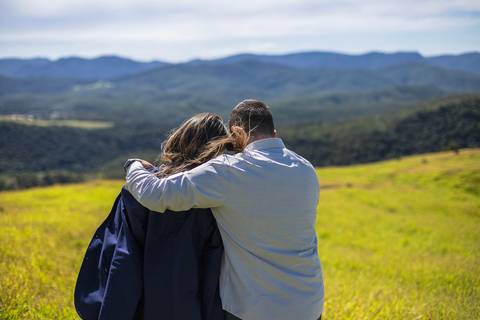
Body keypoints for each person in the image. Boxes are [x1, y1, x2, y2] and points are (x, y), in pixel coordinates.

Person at [125, 100, 324, 320]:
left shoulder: (230, 170)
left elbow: (156, 194)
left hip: (255, 308)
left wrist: (134, 166)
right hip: (309, 302)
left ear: (237, 131)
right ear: (274, 132)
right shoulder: (305, 168)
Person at [75, 113, 237, 320]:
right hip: (196, 301)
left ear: (180, 139)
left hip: (143, 299)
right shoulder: (219, 196)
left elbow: (120, 252)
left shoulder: (140, 190)